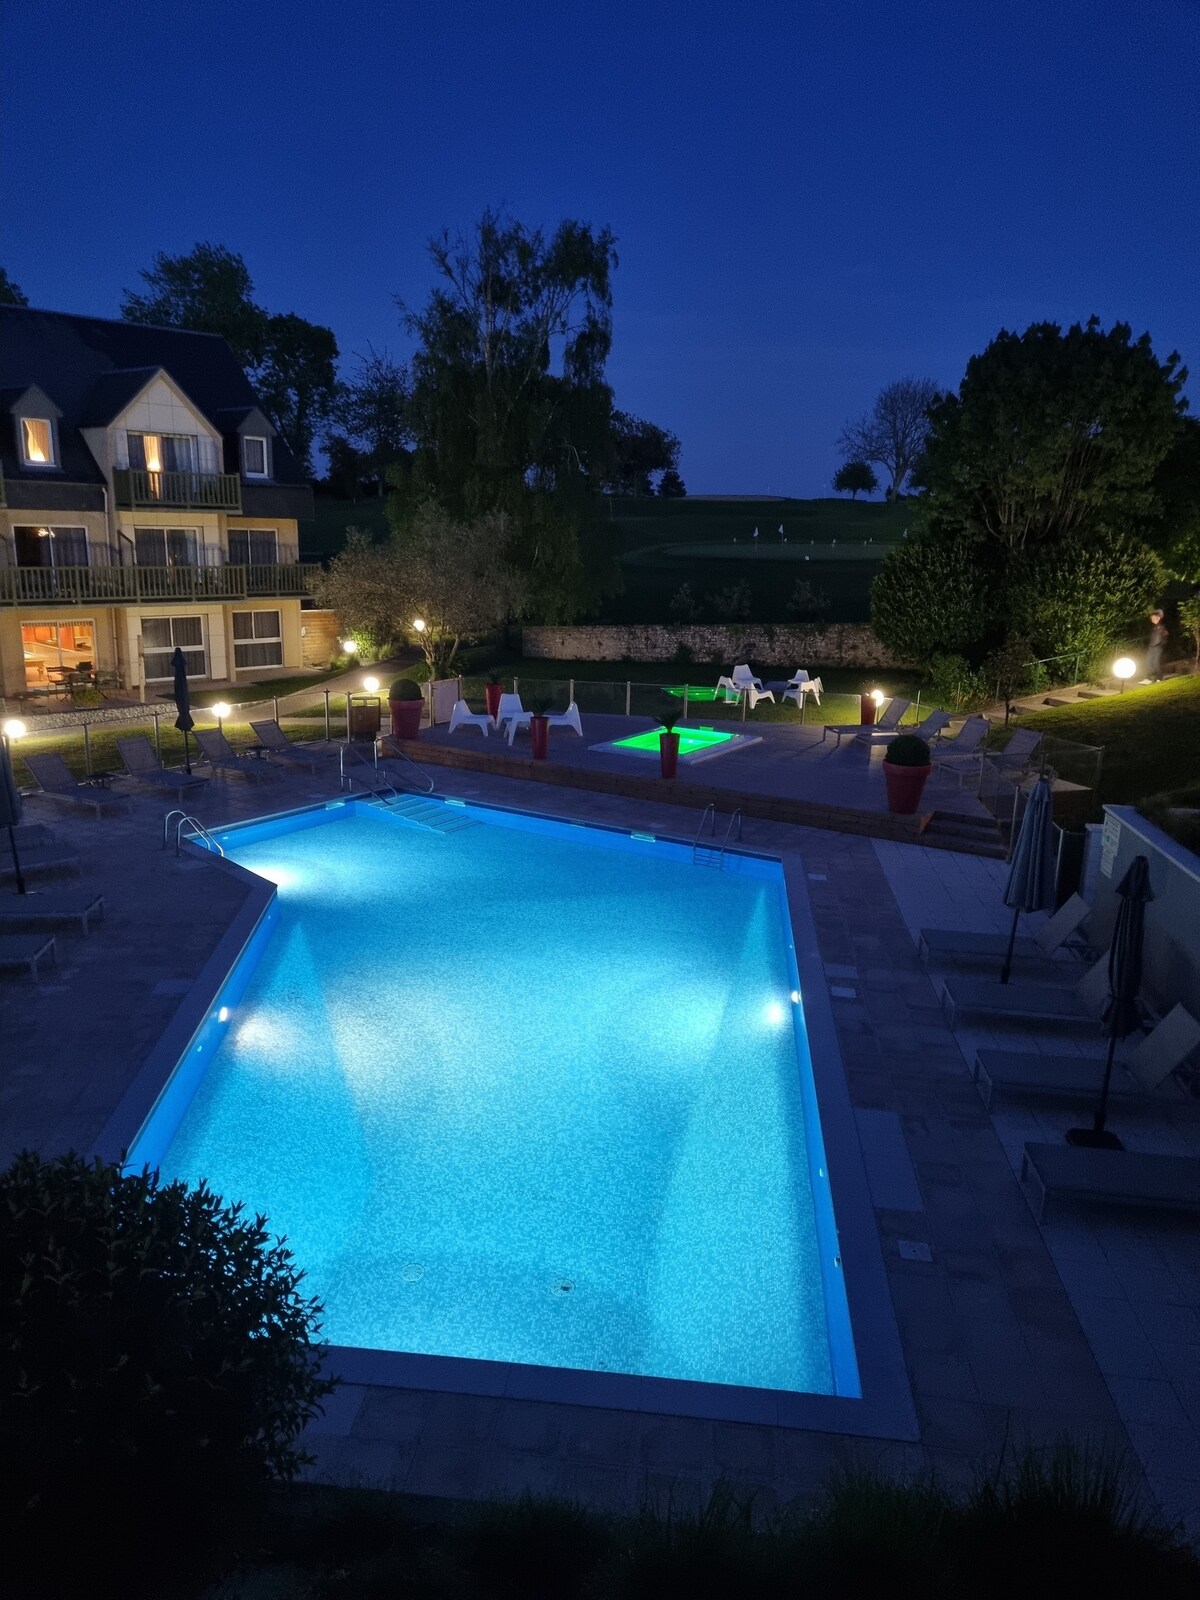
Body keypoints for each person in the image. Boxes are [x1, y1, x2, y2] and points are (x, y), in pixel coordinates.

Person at [1144, 609, 1167, 681]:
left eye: (1153, 617)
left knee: (1156, 662)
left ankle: (1159, 677)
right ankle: (1148, 678)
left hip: (1157, 646)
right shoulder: (1154, 627)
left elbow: (1163, 637)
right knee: (1148, 661)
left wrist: (1160, 644)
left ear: (1158, 618)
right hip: (1152, 646)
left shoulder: (1162, 627)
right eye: (1151, 618)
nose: (1152, 619)